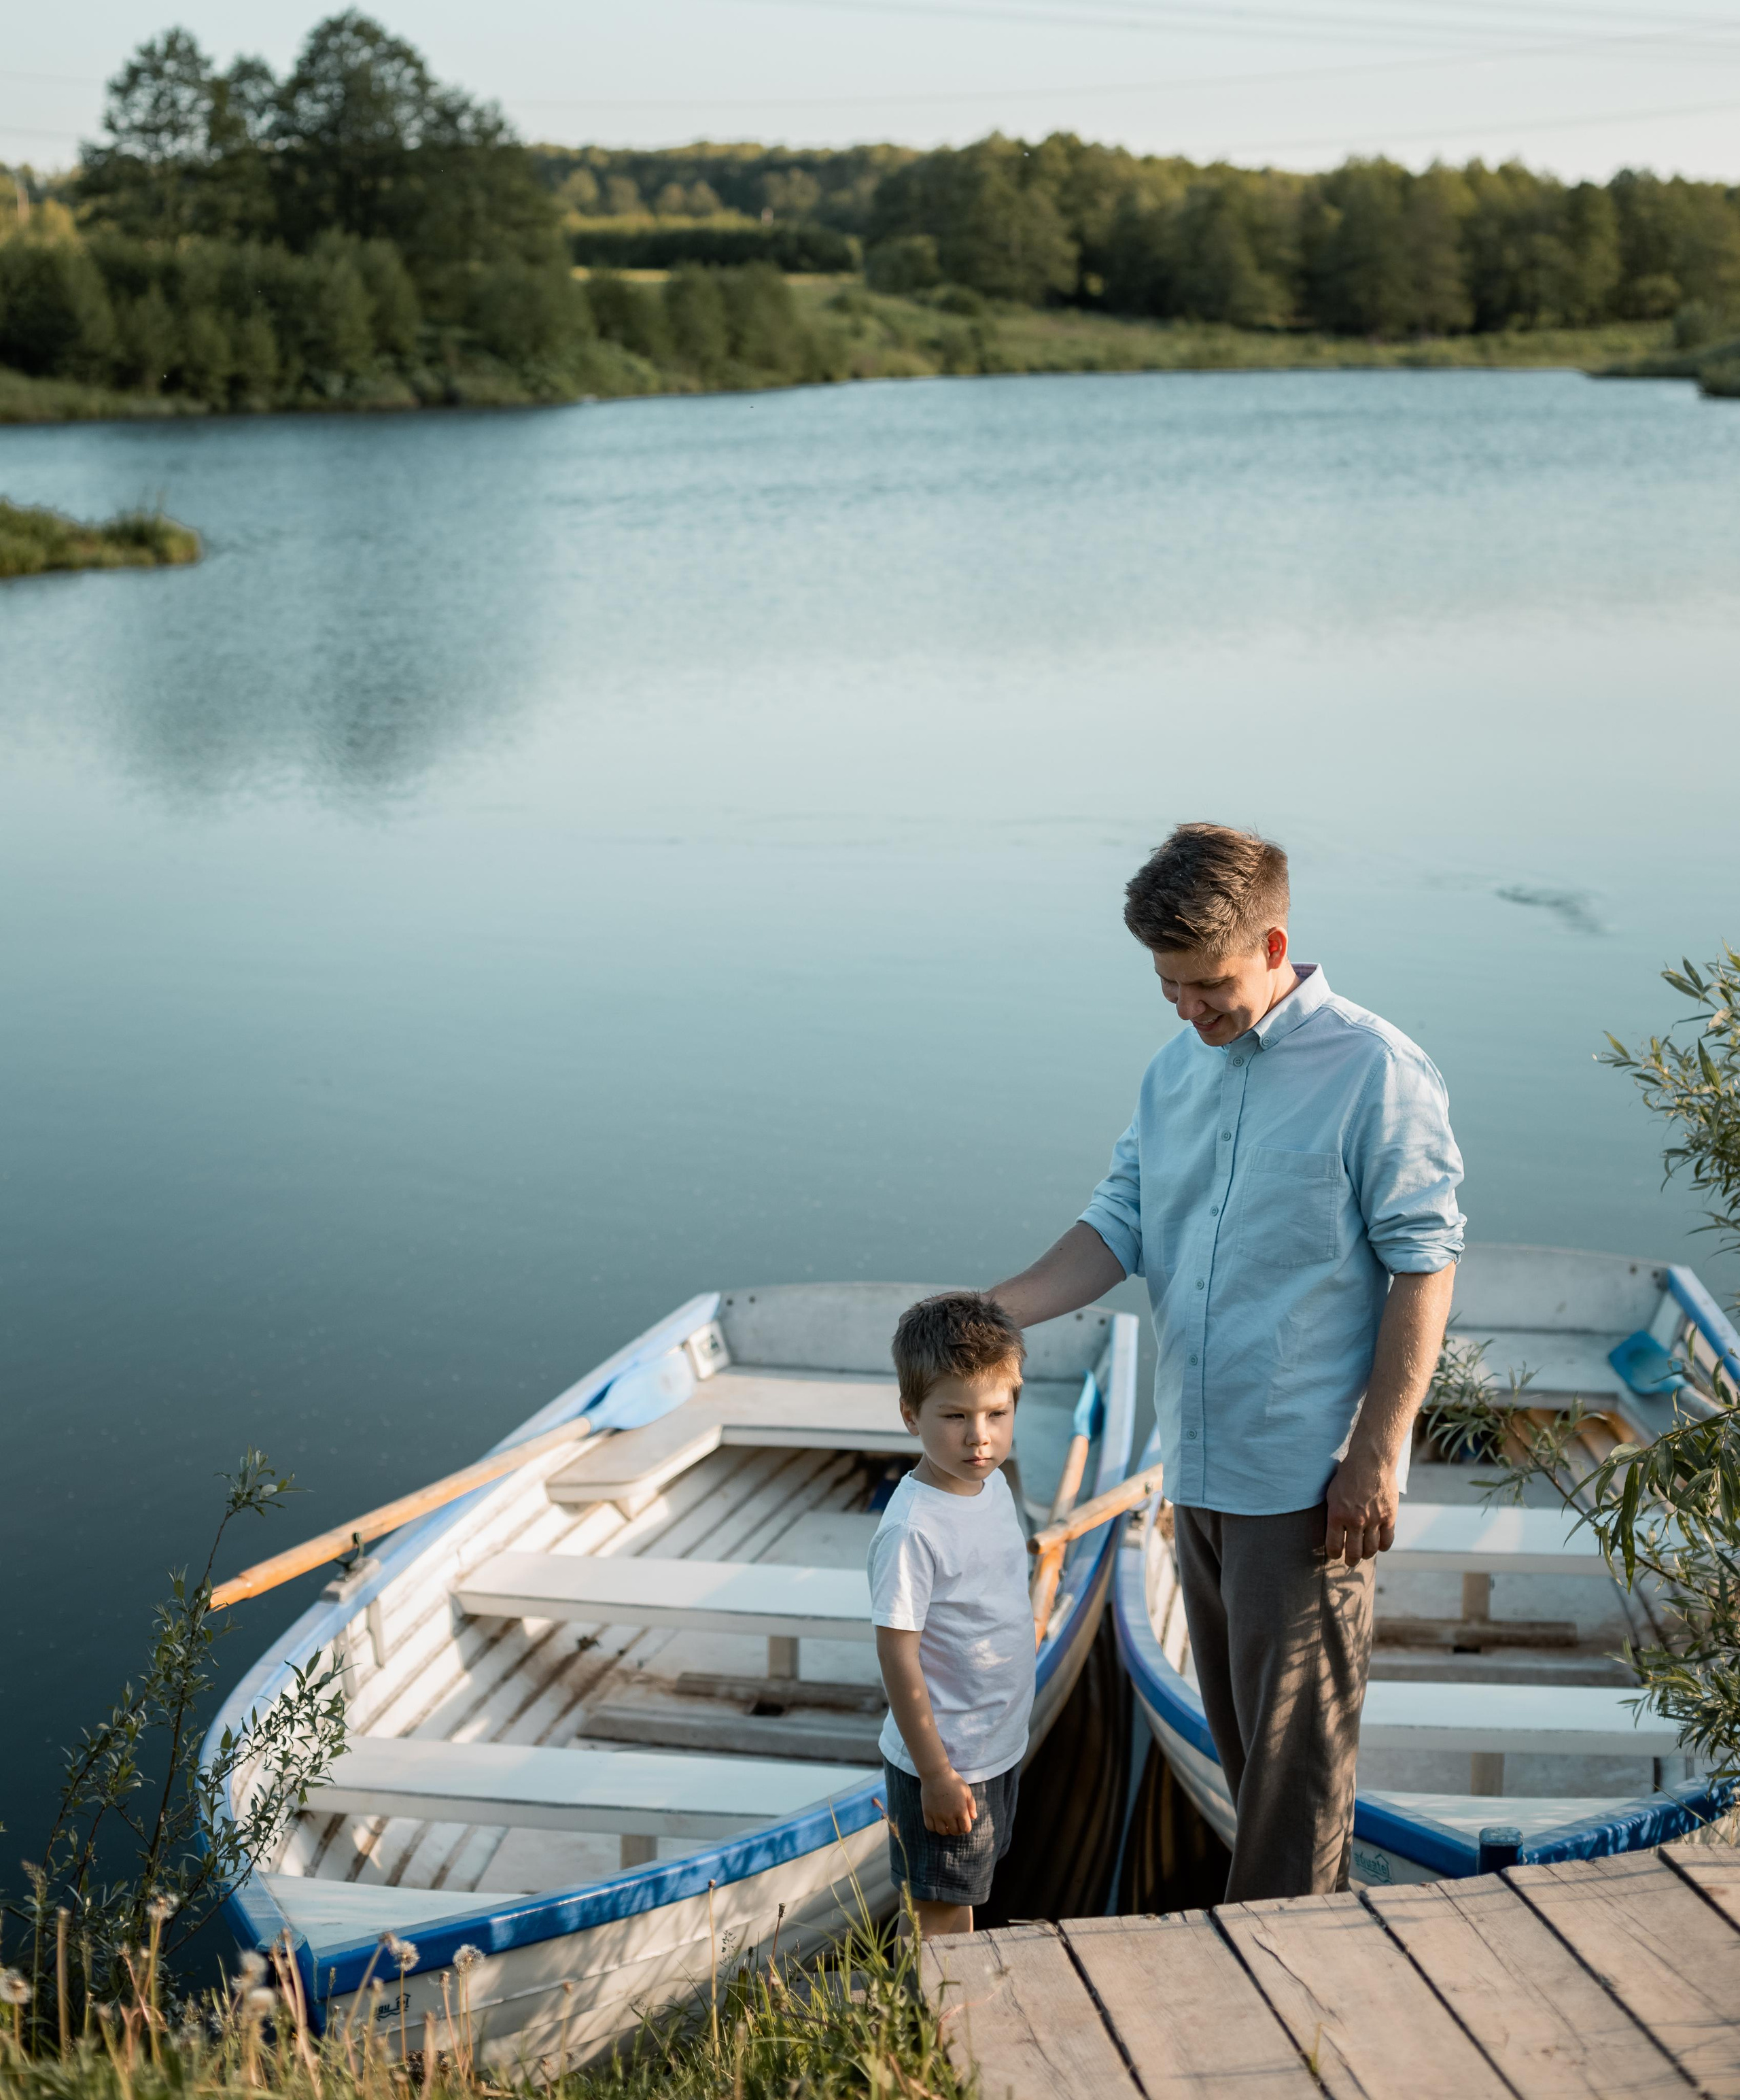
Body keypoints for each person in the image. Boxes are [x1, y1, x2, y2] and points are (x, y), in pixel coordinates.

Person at [991, 823, 1464, 1901]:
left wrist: (1376, 1453)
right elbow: (1120, 1225)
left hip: (1307, 1488)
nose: (1187, 1009)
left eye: (1208, 984)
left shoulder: (1375, 1070)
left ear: (1274, 945)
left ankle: (1283, 1987)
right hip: (1196, 1469)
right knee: (1248, 1767)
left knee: (1296, 1793)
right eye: (1168, 985)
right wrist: (991, 1311)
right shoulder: (1176, 1072)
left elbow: (1425, 1264)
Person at [870, 1290, 1034, 1940]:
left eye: (997, 1412)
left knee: (964, 1893)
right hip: (947, 1760)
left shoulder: (991, 1485)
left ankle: (938, 1999)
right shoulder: (914, 1528)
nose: (979, 1436)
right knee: (941, 1918)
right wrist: (936, 1774)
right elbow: (897, 1653)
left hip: (995, 1744)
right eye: (955, 1415)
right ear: (911, 1414)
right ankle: (936, 2009)